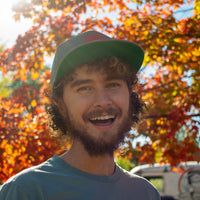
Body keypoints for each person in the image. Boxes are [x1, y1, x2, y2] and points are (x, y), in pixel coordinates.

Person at [0, 30, 160, 200]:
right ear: (59, 104)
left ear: (130, 95)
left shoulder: (146, 193)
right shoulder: (26, 190)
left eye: (113, 84)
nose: (103, 101)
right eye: (84, 88)